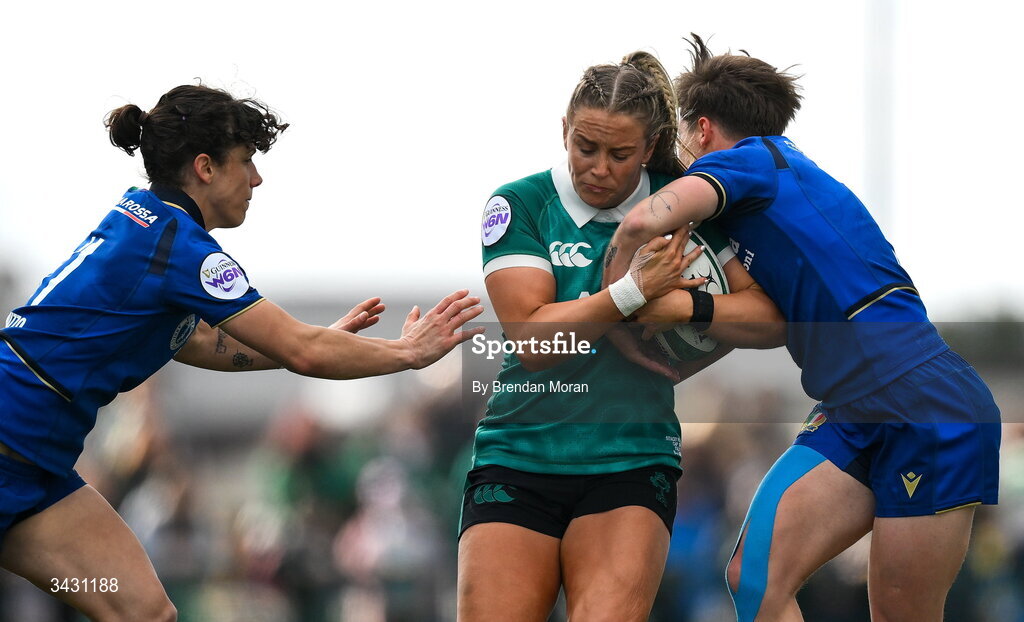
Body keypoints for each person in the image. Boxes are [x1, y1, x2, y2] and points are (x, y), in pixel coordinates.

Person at [0, 84, 484, 621]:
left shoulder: (141, 218)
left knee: (145, 612)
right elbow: (304, 353)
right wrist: (405, 353)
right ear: (205, 167)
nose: (256, 179)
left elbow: (203, 341)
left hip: (36, 474)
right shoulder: (181, 248)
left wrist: (316, 341)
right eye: (246, 161)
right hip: (7, 446)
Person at [602, 35, 1001, 622]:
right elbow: (772, 323)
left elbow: (640, 220)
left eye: (683, 136)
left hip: (924, 398)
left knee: (900, 615)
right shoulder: (771, 190)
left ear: (704, 130)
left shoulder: (749, 162)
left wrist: (620, 307)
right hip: (850, 407)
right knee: (754, 579)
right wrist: (683, 310)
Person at [459, 52, 784, 622]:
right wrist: (631, 296)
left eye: (620, 154)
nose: (599, 168)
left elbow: (766, 317)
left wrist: (686, 311)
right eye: (585, 147)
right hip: (519, 455)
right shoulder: (520, 204)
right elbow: (534, 344)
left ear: (653, 142)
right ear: (564, 129)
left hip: (630, 461)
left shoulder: (686, 201)